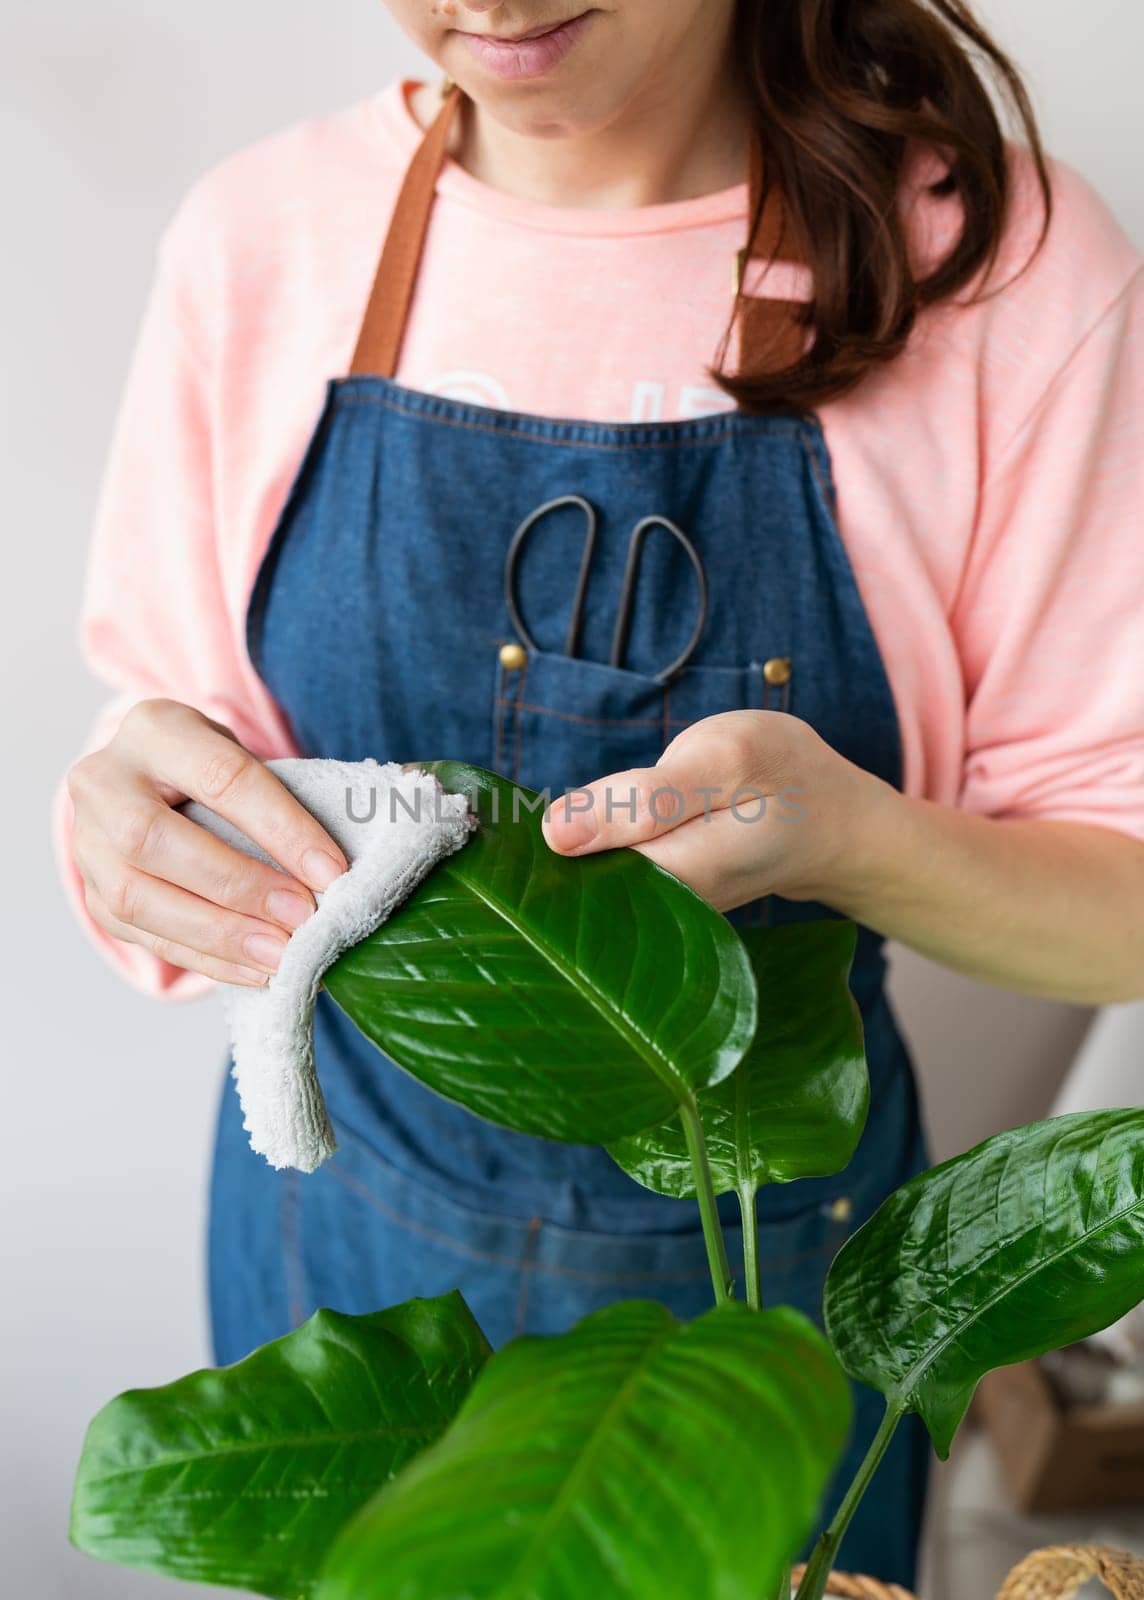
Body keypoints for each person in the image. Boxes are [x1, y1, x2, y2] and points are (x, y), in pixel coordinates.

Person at [54, 0, 1143, 1584]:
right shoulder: (263, 237)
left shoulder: (1002, 274)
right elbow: (169, 734)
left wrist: (856, 843)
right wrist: (118, 823)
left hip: (757, 1333)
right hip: (342, 1273)